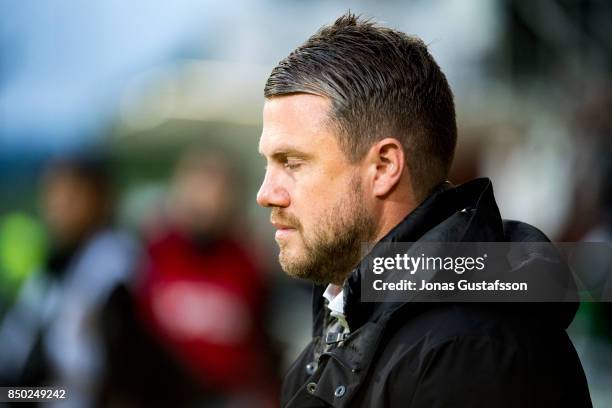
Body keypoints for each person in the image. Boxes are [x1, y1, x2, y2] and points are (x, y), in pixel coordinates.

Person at [256, 13, 592, 407]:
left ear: (384, 168)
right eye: (268, 164)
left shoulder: (466, 352)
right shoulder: (352, 326)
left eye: (292, 162)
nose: (266, 193)